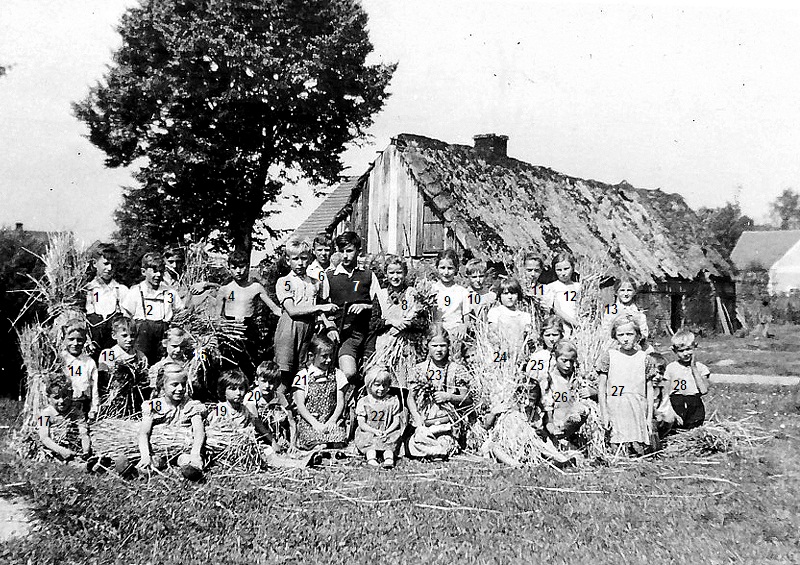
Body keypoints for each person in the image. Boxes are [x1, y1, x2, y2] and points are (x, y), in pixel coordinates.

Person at [210, 368, 317, 468]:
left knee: (268, 451)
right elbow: (217, 431)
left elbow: (255, 424)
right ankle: (294, 463)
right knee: (265, 455)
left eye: (241, 389)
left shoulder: (244, 409)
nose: (238, 393)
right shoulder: (222, 409)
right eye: (233, 389)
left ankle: (298, 461)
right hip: (229, 446)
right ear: (223, 391)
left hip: (245, 445)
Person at [120, 362, 206, 479]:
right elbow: (144, 432)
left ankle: (191, 472)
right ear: (162, 386)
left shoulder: (190, 405)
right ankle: (135, 471)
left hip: (182, 448)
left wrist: (195, 453)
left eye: (183, 384)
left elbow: (198, 431)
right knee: (153, 461)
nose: (180, 389)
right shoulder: (156, 406)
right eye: (174, 385)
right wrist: (145, 455)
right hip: (159, 449)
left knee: (186, 460)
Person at [274, 238, 338, 387]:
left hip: (309, 328)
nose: (300, 263)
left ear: (309, 259)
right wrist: (321, 308)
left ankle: (298, 406)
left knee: (302, 371)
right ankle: (279, 405)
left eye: (304, 258)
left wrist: (329, 326)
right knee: (285, 373)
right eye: (295, 259)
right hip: (290, 328)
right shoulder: (285, 281)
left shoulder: (314, 282)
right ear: (288, 260)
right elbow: (292, 310)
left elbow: (317, 307)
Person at [320, 231, 380, 386]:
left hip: (365, 334)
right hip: (341, 335)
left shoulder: (368, 275)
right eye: (341, 251)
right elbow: (321, 308)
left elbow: (380, 306)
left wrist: (365, 306)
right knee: (348, 372)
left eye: (349, 251)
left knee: (369, 374)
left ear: (358, 251)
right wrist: (329, 328)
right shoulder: (330, 276)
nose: (345, 256)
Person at [406, 329, 472, 459]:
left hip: (446, 423)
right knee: (420, 436)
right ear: (427, 345)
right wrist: (416, 416)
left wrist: (449, 397)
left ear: (448, 346)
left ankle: (435, 449)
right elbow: (410, 397)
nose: (439, 350)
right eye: (434, 346)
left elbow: (468, 399)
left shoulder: (457, 369)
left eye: (442, 345)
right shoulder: (420, 369)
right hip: (425, 422)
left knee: (445, 442)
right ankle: (432, 449)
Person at [596, 316, 657, 455]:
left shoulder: (644, 358)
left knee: (639, 450)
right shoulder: (609, 356)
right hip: (616, 407)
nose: (625, 338)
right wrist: (604, 414)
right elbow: (602, 388)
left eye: (629, 334)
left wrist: (649, 417)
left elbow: (649, 389)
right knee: (618, 448)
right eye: (621, 334)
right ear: (615, 336)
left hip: (637, 407)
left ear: (637, 336)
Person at [218, 250, 282, 378]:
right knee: (229, 364)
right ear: (229, 268)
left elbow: (274, 308)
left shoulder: (255, 287)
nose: (238, 271)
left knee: (249, 363)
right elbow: (217, 316)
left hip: (248, 329)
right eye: (234, 267)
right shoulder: (225, 289)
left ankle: (248, 390)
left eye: (241, 267)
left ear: (247, 266)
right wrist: (222, 329)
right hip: (229, 328)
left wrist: (289, 315)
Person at [366, 255, 426, 388]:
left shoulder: (412, 293)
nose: (395, 276)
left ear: (405, 273)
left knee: (407, 383)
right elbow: (373, 323)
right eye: (391, 273)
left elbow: (423, 322)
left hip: (407, 345)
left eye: (399, 272)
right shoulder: (381, 294)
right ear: (386, 274)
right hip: (385, 346)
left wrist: (408, 324)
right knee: (386, 381)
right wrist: (391, 322)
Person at [121, 252, 184, 365]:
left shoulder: (169, 292)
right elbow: (126, 318)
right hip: (142, 341)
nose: (158, 275)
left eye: (161, 271)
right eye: (154, 271)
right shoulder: (135, 292)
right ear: (143, 272)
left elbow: (181, 312)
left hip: (163, 338)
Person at [292, 335, 348, 450]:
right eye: (324, 356)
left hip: (330, 419)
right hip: (311, 421)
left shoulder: (338, 374)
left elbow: (340, 402)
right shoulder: (303, 375)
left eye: (331, 356)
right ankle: (321, 446)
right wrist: (314, 423)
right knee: (312, 439)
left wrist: (332, 420)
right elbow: (300, 405)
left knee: (339, 438)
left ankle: (327, 446)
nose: (329, 360)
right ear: (312, 356)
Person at [541, 340, 595, 447]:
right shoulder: (550, 380)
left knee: (582, 409)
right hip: (557, 426)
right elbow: (547, 412)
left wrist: (593, 393)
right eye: (564, 360)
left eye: (571, 361)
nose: (568, 365)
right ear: (554, 357)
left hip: (576, 427)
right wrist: (552, 428)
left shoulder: (576, 377)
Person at [97, 317, 149, 415]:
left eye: (132, 336)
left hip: (135, 397)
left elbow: (145, 377)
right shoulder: (109, 353)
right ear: (114, 335)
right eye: (124, 336)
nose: (129, 339)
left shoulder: (140, 355)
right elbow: (104, 379)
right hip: (115, 397)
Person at [355, 367, 404, 468]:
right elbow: (361, 423)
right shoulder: (364, 402)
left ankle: (389, 459)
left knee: (390, 442)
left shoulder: (392, 401)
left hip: (387, 431)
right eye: (377, 385)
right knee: (369, 442)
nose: (381, 389)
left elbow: (396, 421)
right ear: (369, 385)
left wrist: (388, 431)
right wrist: (373, 430)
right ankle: (371, 458)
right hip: (370, 431)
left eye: (385, 385)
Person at [85, 244, 127, 356]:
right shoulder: (87, 290)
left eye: (113, 265)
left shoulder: (121, 291)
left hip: (115, 352)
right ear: (94, 264)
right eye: (106, 264)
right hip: (90, 350)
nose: (110, 268)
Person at [664, 329, 710, 430]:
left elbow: (704, 390)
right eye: (681, 351)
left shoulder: (701, 368)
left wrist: (693, 367)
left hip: (694, 405)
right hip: (676, 403)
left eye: (688, 349)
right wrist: (671, 412)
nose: (685, 353)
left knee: (693, 431)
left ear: (695, 347)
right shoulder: (671, 368)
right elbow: (666, 393)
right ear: (674, 351)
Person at [36, 380, 92, 463]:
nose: (62, 401)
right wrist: (62, 451)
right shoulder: (44, 415)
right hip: (54, 449)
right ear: (48, 398)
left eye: (65, 396)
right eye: (56, 397)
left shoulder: (75, 412)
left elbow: (83, 432)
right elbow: (44, 438)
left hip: (74, 447)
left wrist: (86, 451)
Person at [245, 361, 296, 450]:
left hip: (276, 436)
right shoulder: (252, 396)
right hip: (256, 437)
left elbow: (291, 420)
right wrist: (272, 442)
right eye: (264, 381)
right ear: (257, 381)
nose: (267, 386)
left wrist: (293, 443)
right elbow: (256, 422)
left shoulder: (280, 397)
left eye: (271, 382)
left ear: (278, 383)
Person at [61, 319, 99, 420]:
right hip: (63, 406)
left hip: (83, 405)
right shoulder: (60, 361)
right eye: (71, 339)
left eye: (80, 340)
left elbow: (94, 387)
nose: (75, 343)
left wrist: (94, 407)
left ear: (85, 340)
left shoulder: (89, 362)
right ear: (64, 339)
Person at [486, 277, 533, 352]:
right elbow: (492, 335)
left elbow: (527, 338)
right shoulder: (496, 312)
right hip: (501, 352)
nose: (510, 297)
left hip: (520, 353)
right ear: (500, 295)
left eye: (513, 293)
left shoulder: (525, 316)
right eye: (505, 294)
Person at [601, 277, 649, 348]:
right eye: (622, 290)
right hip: (615, 348)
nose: (626, 294)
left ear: (634, 292)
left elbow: (644, 334)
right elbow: (605, 332)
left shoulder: (639, 313)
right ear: (616, 292)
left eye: (629, 290)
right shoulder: (610, 310)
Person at [542, 252, 580, 333]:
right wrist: (574, 323)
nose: (563, 273)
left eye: (566, 269)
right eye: (559, 270)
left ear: (572, 268)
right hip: (561, 324)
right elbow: (557, 310)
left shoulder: (578, 286)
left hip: (578, 323)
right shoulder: (552, 287)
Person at [525, 316, 564, 388]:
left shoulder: (565, 355)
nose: (551, 339)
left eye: (555, 335)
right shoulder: (538, 357)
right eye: (547, 335)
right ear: (542, 337)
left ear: (561, 335)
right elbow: (530, 379)